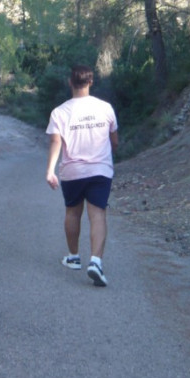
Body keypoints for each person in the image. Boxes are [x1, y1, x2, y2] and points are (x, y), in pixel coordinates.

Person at [45, 64, 118, 287]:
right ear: (91, 82)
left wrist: (50, 170)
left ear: (70, 82)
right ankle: (95, 261)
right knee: (98, 215)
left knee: (73, 213)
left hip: (72, 171)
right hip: (100, 170)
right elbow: (114, 140)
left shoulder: (60, 111)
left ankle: (74, 256)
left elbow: (56, 141)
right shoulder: (105, 108)